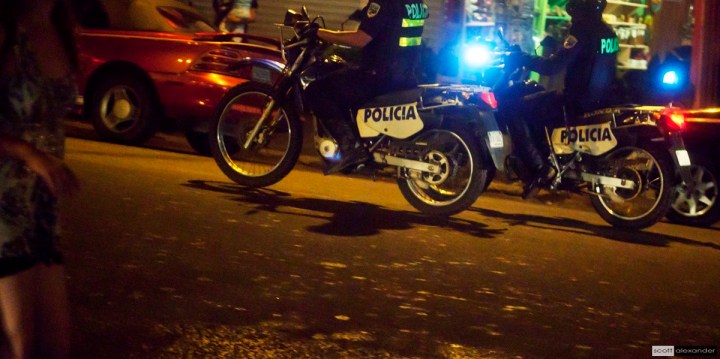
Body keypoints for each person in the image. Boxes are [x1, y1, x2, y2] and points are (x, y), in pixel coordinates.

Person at [0, 1, 81, 358]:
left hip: (42, 210)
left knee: (56, 342)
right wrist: (30, 155)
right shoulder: (7, 32)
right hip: (4, 203)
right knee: (20, 342)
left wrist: (52, 163)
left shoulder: (62, 29)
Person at [506, 0, 619, 198]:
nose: (573, 17)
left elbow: (552, 67)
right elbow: (586, 58)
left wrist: (521, 58)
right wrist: (558, 47)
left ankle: (540, 167)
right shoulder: (608, 33)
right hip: (601, 99)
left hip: (577, 100)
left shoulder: (582, 32)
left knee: (516, 108)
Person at [306, 0, 430, 174]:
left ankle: (350, 148)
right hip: (405, 76)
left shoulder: (383, 3)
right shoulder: (417, 3)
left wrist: (320, 33)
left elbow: (360, 39)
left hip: (380, 76)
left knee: (317, 91)